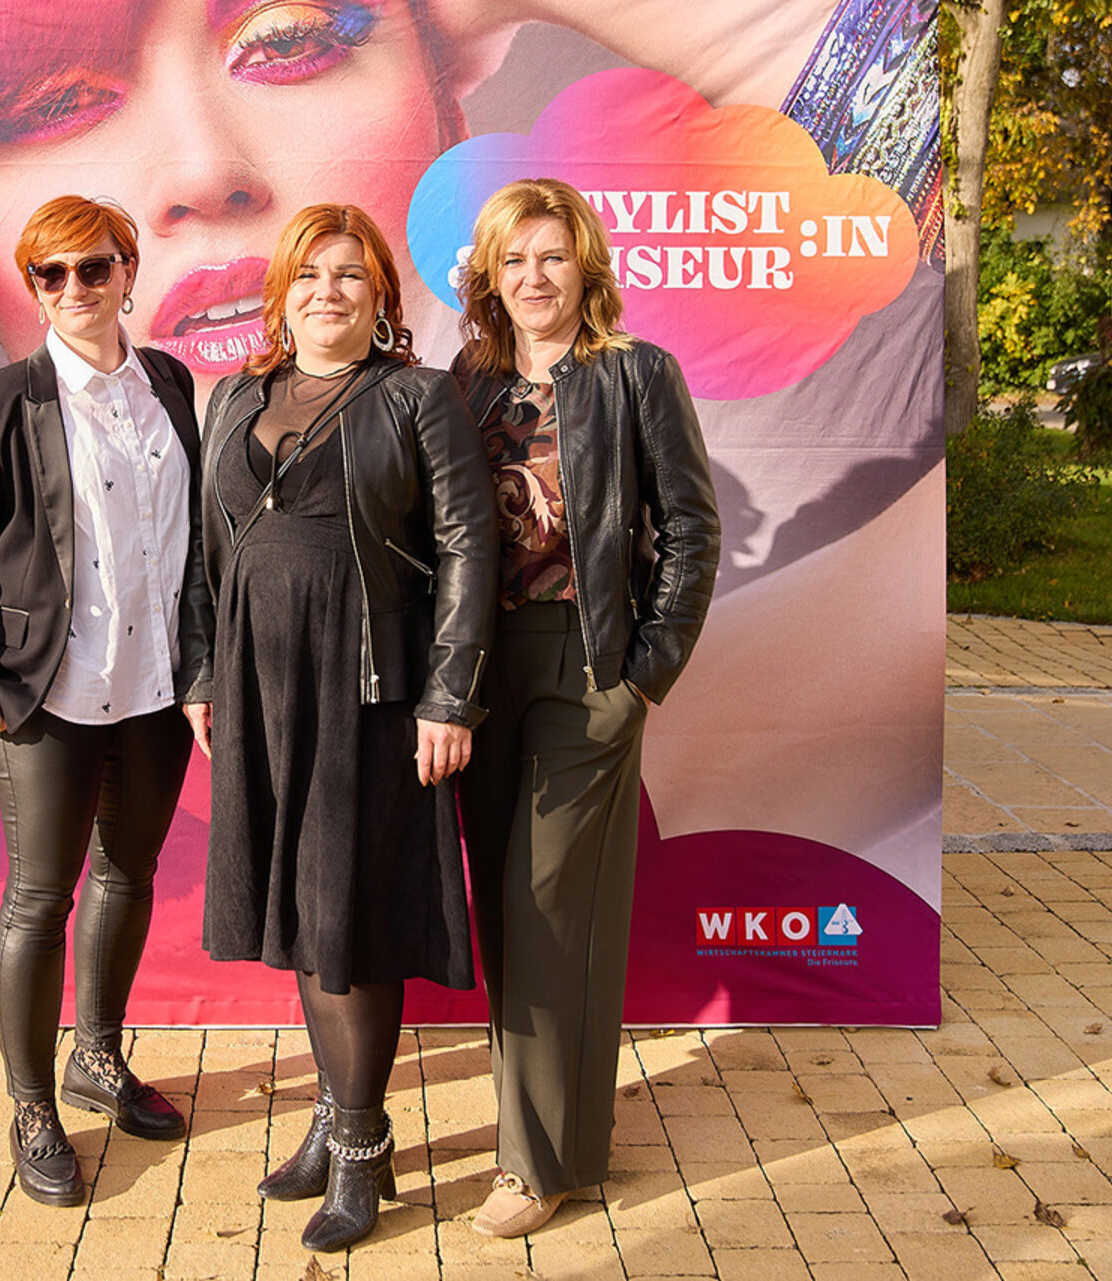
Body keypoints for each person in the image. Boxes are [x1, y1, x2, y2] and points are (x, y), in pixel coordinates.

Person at [180, 203, 495, 1252]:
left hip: (369, 692)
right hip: (259, 690)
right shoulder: (235, 397)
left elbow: (467, 547)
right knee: (303, 915)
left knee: (345, 911)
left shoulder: (415, 397)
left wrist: (449, 696)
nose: (328, 292)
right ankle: (334, 1116)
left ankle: (363, 1148)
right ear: (282, 293)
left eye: (350, 275)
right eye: (310, 274)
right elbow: (202, 554)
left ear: (380, 298)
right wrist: (201, 673)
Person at [448, 178, 719, 1236]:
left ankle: (536, 1166)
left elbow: (690, 528)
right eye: (514, 259)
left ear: (586, 266)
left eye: (552, 256)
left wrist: (646, 671)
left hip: (590, 662)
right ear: (489, 275)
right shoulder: (466, 383)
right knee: (508, 908)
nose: (534, 277)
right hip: (481, 672)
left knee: (550, 902)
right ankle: (560, 1135)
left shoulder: (636, 374)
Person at [0, 196, 202, 1206]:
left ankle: (98, 1055)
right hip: (45, 693)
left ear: (128, 271)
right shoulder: (4, 402)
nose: (76, 287)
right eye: (53, 274)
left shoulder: (169, 381)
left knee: (129, 873)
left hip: (157, 689)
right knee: (41, 899)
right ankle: (33, 1105)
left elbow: (187, 538)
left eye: (95, 267)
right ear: (34, 290)